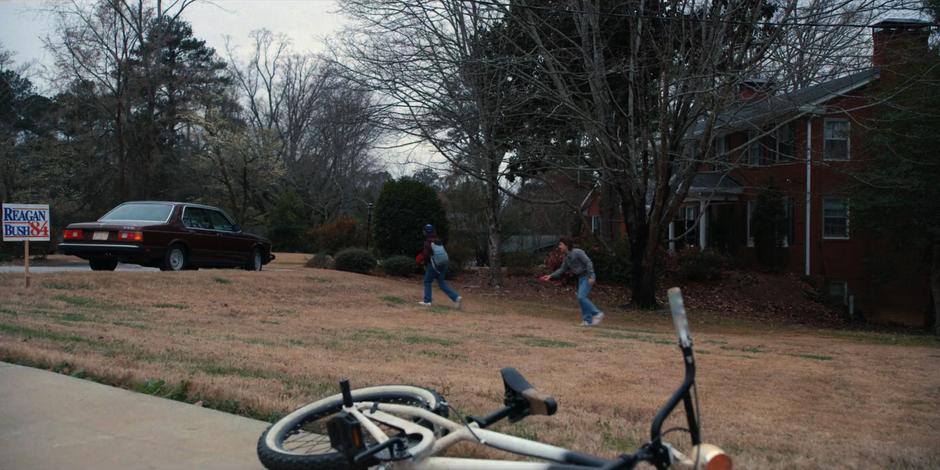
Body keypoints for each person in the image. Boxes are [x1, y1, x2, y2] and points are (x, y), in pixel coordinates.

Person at [540, 237, 603, 326]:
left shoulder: (577, 252)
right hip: (581, 278)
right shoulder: (566, 257)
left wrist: (591, 276)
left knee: (581, 297)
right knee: (582, 298)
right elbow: (562, 269)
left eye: (561, 244)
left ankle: (597, 313)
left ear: (566, 245)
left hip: (587, 276)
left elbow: (588, 262)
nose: (559, 247)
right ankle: (587, 320)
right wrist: (550, 276)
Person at [418, 224, 462, 310]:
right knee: (441, 283)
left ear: (426, 232)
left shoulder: (428, 242)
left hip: (434, 265)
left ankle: (427, 301)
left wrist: (423, 262)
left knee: (427, 281)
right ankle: (456, 298)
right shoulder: (438, 241)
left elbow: (426, 255)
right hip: (443, 264)